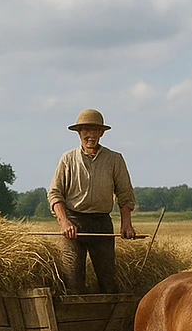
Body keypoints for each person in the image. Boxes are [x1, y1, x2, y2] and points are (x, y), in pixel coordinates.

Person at [47, 108, 136, 294]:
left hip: (101, 223)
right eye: (86, 130)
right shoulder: (68, 159)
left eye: (95, 130)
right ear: (79, 133)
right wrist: (64, 222)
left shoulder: (115, 159)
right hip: (74, 224)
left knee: (108, 281)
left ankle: (108, 321)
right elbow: (55, 194)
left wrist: (126, 224)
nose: (90, 135)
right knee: (72, 283)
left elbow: (125, 194)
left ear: (101, 133)